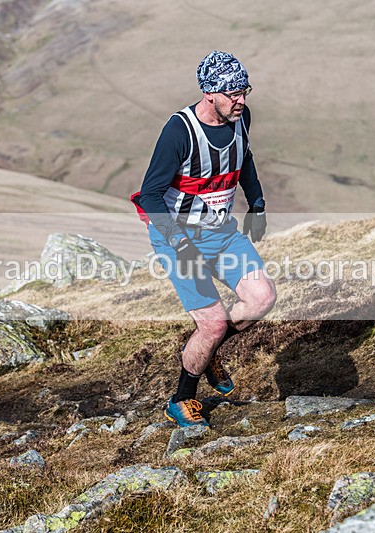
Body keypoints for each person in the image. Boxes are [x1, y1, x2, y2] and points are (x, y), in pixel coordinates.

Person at [131, 50, 276, 427]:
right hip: (178, 237)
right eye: (233, 93)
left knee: (262, 299)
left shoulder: (240, 118)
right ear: (210, 93)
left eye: (245, 90)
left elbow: (243, 159)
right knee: (211, 325)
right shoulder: (179, 131)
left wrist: (256, 204)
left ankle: (209, 351)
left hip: (221, 233)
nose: (242, 100)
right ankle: (182, 398)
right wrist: (180, 244)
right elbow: (149, 195)